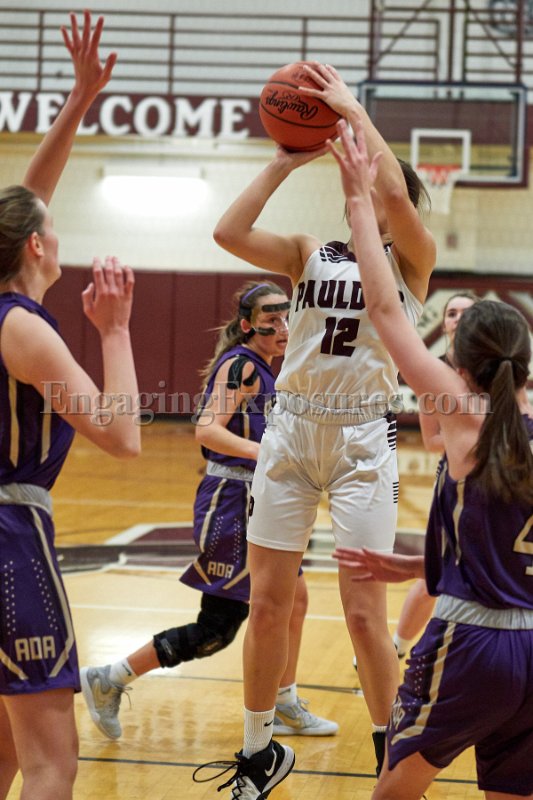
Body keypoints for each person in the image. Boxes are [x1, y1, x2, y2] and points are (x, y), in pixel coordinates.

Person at [204, 62, 436, 797]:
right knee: (268, 602)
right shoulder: (311, 252)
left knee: (365, 616)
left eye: (382, 184)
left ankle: (389, 752)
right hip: (292, 432)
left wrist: (352, 111)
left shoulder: (414, 261)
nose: (368, 185)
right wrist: (283, 160)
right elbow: (227, 231)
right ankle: (258, 751)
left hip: (364, 441)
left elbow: (391, 193)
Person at [331, 117, 533, 799]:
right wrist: (425, 566)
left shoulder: (463, 414)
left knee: (394, 791)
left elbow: (386, 310)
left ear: (459, 361)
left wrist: (359, 203)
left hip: (472, 643)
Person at [80, 280, 338, 741]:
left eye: (287, 318)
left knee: (294, 600)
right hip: (231, 500)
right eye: (271, 319)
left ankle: (283, 701)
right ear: (247, 325)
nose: (283, 327)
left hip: (256, 497)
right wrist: (269, 455)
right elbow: (207, 430)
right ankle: (111, 677)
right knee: (216, 628)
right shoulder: (243, 365)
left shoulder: (265, 368)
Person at [0, 12, 141, 800]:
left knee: (5, 751)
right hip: (10, 539)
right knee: (53, 761)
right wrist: (114, 331)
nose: (57, 231)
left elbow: (26, 200)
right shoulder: (26, 329)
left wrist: (80, 99)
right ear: (36, 248)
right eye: (52, 228)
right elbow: (122, 436)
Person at [392, 291, 479, 659]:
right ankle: (396, 646)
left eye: (466, 313)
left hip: (498, 478)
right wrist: (479, 440)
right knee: (437, 572)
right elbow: (431, 441)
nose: (458, 319)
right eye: (452, 313)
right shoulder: (434, 372)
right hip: (456, 480)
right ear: (443, 323)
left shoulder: (497, 367)